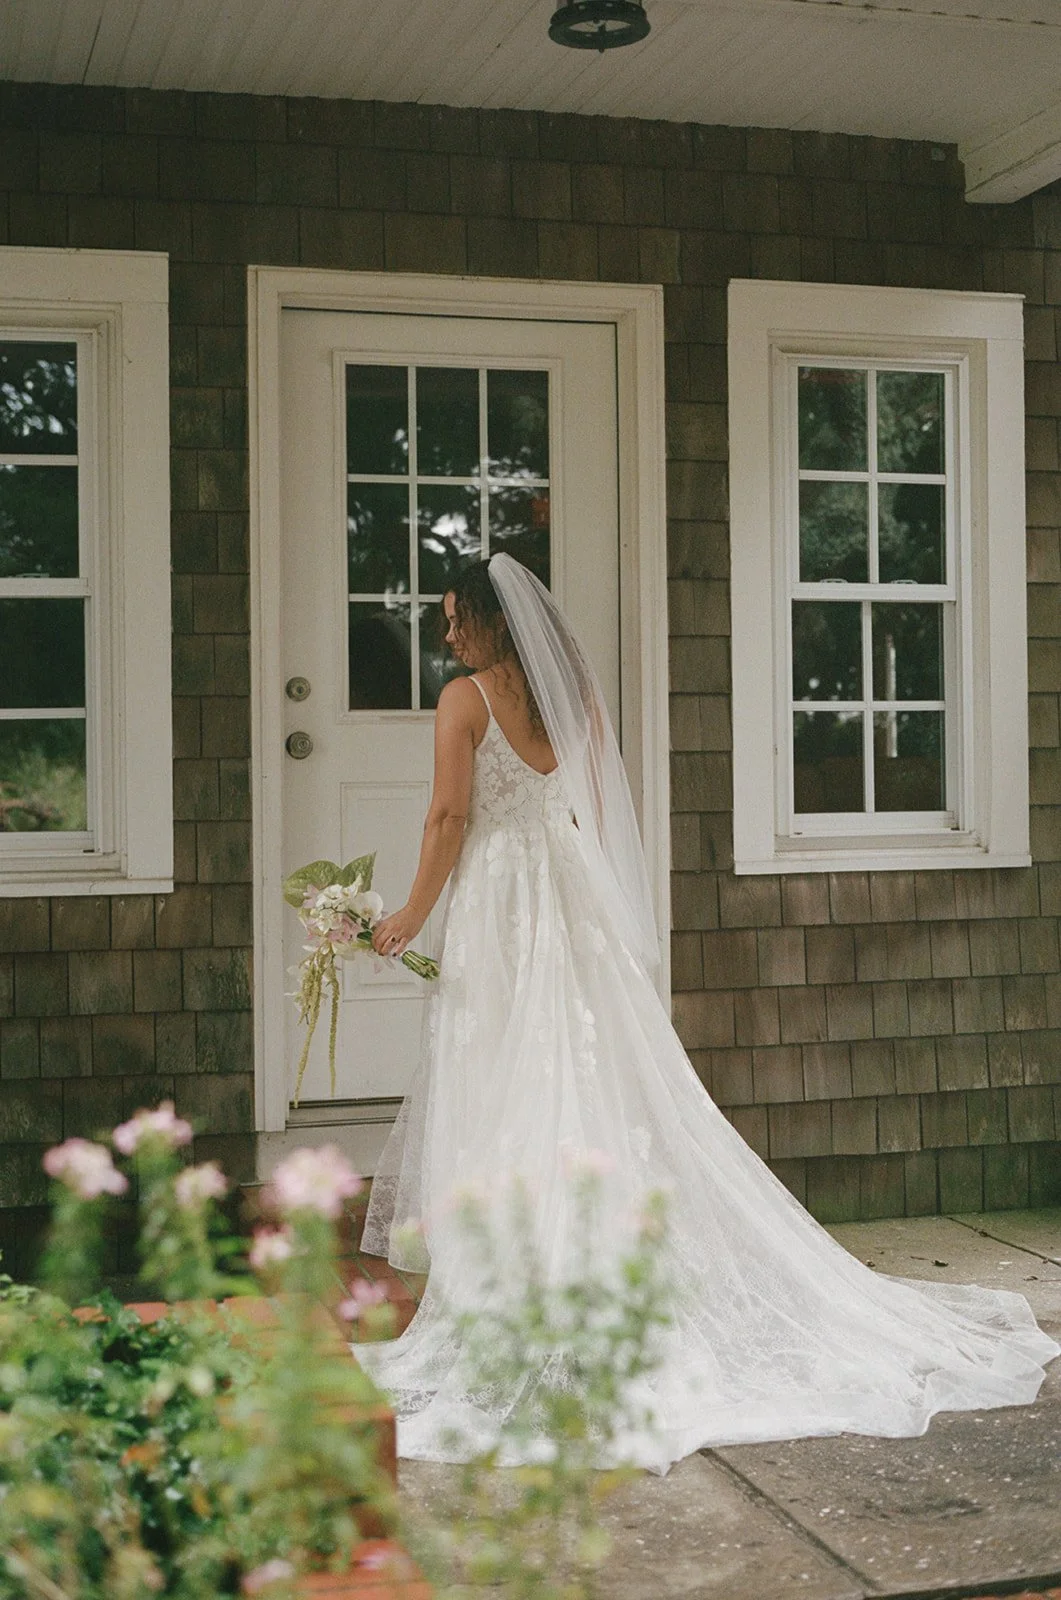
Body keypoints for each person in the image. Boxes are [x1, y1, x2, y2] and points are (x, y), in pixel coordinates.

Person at [355, 553, 1059, 1473]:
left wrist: (409, 913)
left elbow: (450, 818)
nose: (446, 634)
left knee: (502, 1073)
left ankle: (523, 1293)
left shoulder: (464, 700)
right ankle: (576, 1280)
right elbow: (596, 810)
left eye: (455, 618)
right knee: (589, 1076)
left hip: (499, 903)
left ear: (491, 620)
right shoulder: (574, 698)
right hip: (569, 900)